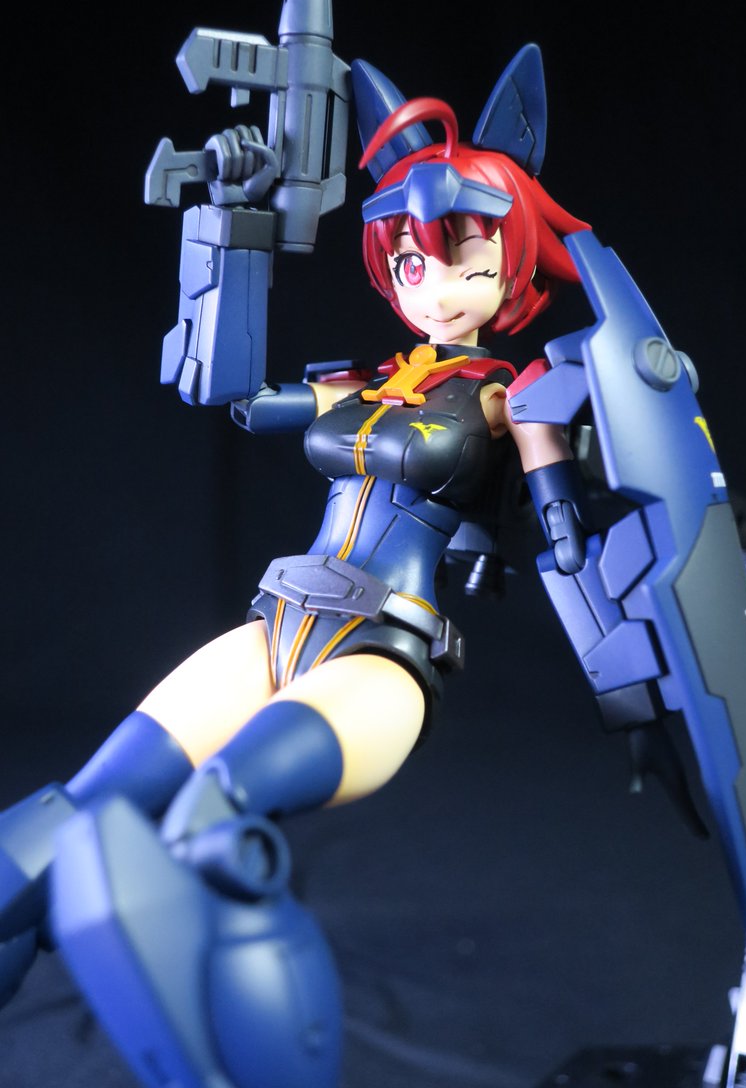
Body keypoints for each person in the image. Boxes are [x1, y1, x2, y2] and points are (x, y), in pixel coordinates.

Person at [0, 54, 593, 1086]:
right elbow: (236, 395)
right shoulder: (366, 382)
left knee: (215, 830)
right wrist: (231, 237)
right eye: (410, 262)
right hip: (276, 625)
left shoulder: (512, 397)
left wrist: (585, 530)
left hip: (382, 655)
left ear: (513, 265)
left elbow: (565, 525)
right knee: (70, 818)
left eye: (464, 258)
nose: (434, 285)